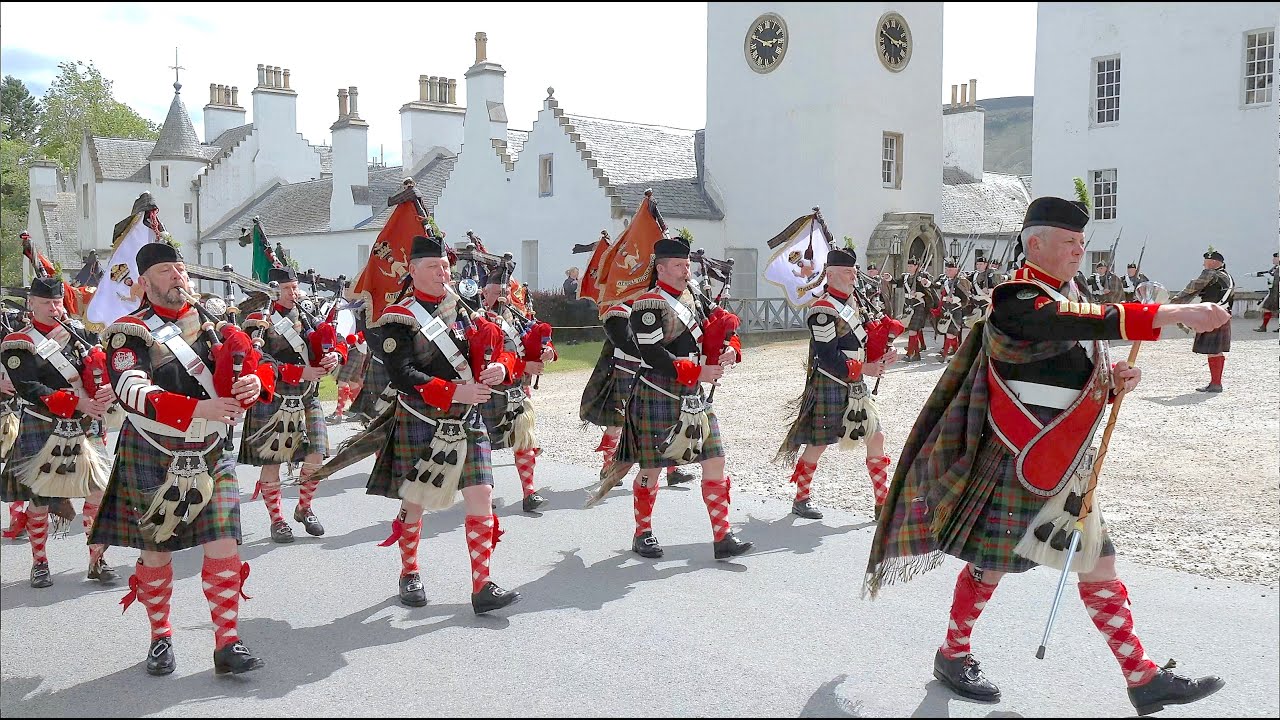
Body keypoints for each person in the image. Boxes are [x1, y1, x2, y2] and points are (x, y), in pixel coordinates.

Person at [864, 196, 1230, 715]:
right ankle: (953, 652)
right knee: (989, 566)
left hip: (1062, 462)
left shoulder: (1067, 295)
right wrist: (1172, 313)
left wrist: (1110, 380)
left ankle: (1141, 677)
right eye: (1069, 243)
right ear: (1035, 243)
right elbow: (1068, 322)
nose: (1079, 252)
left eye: (1083, 243)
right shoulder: (1016, 297)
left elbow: (1062, 367)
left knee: (1098, 562)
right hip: (1019, 459)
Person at [310, 234, 522, 614]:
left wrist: (498, 367)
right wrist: (454, 392)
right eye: (433, 266)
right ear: (412, 271)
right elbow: (403, 374)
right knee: (416, 501)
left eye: (445, 266)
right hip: (422, 417)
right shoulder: (399, 318)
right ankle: (409, 570)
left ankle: (482, 585)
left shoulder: (466, 309)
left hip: (466, 418)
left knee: (482, 494)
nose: (443, 273)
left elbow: (503, 346)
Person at [94, 241, 273, 676]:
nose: (178, 275)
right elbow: (132, 389)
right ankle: (160, 636)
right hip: (155, 448)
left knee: (225, 543)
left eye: (180, 268)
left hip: (211, 449)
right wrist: (198, 409)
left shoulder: (214, 323)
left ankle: (227, 642)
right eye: (165, 270)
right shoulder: (129, 332)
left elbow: (255, 364)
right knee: (157, 551)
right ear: (143, 283)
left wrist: (253, 383)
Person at [614, 235, 752, 560]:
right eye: (678, 265)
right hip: (658, 390)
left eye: (687, 263)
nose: (685, 269)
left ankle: (723, 537)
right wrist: (696, 372)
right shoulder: (648, 305)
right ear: (661, 268)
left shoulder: (695, 296)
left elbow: (722, 324)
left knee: (715, 459)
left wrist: (732, 348)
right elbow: (652, 352)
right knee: (651, 468)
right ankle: (643, 532)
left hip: (693, 395)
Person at [1, 277, 117, 586]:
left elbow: (97, 372)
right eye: (48, 303)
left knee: (97, 492)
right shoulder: (18, 342)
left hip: (83, 424)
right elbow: (29, 388)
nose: (55, 308)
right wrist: (78, 402)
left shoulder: (78, 334)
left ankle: (96, 559)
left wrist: (105, 389)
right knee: (41, 497)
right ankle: (39, 561)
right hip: (43, 420)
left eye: (57, 302)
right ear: (32, 304)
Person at [776, 247, 899, 520]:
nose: (853, 275)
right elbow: (828, 356)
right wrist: (864, 367)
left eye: (854, 271)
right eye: (847, 271)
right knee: (819, 444)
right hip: (831, 381)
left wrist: (884, 354)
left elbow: (864, 340)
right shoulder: (822, 309)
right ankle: (801, 498)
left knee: (876, 436)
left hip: (856, 383)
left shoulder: (856, 303)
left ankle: (882, 503)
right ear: (829, 275)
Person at [238, 266, 343, 543]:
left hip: (308, 396)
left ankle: (304, 507)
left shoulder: (307, 314)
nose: (293, 293)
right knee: (274, 460)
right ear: (273, 290)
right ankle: (277, 520)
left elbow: (337, 342)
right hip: (276, 396)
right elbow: (258, 362)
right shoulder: (259, 320)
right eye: (287, 288)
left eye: (295, 287)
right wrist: (298, 372)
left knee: (317, 456)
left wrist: (335, 357)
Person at [478, 262, 556, 512]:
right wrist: (525, 367)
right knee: (482, 446)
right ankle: (481, 495)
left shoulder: (519, 319)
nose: (501, 297)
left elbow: (541, 342)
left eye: (505, 292)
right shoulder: (475, 319)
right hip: (487, 392)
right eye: (495, 292)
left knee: (525, 441)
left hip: (517, 392)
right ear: (484, 294)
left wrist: (548, 353)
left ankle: (529, 492)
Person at [1171, 248, 1235, 393]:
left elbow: (1191, 288)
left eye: (1205, 262)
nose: (1203, 265)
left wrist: (1174, 302)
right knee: (1216, 350)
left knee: (1213, 350)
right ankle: (1215, 382)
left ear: (1213, 262)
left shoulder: (1210, 274)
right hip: (1222, 314)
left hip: (1212, 315)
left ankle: (1216, 384)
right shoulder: (1226, 276)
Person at [891, 258, 934, 362]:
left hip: (918, 305)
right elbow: (897, 282)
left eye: (911, 266)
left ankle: (910, 354)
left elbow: (928, 290)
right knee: (912, 329)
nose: (909, 268)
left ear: (916, 266)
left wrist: (921, 293)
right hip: (908, 305)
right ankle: (916, 354)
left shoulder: (922, 276)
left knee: (913, 330)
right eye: (908, 266)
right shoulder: (905, 277)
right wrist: (890, 278)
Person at [935, 259, 972, 359]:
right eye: (946, 269)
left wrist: (955, 299)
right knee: (950, 334)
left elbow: (966, 298)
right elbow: (936, 287)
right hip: (946, 310)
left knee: (950, 334)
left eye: (950, 270)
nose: (947, 271)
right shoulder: (945, 281)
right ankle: (957, 355)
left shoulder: (961, 282)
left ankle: (945, 356)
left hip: (956, 310)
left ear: (956, 271)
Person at [328, 330, 368, 422]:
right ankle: (359, 411)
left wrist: (357, 337)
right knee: (353, 382)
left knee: (343, 381)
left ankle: (338, 413)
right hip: (355, 348)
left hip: (353, 347)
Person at [1256, 252, 1278, 332]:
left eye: (1275, 258)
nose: (1273, 259)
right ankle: (1264, 326)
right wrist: (1257, 274)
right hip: (1273, 292)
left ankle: (1264, 327)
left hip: (1277, 292)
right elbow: (1268, 273)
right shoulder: (1275, 267)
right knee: (1267, 308)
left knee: (1267, 308)